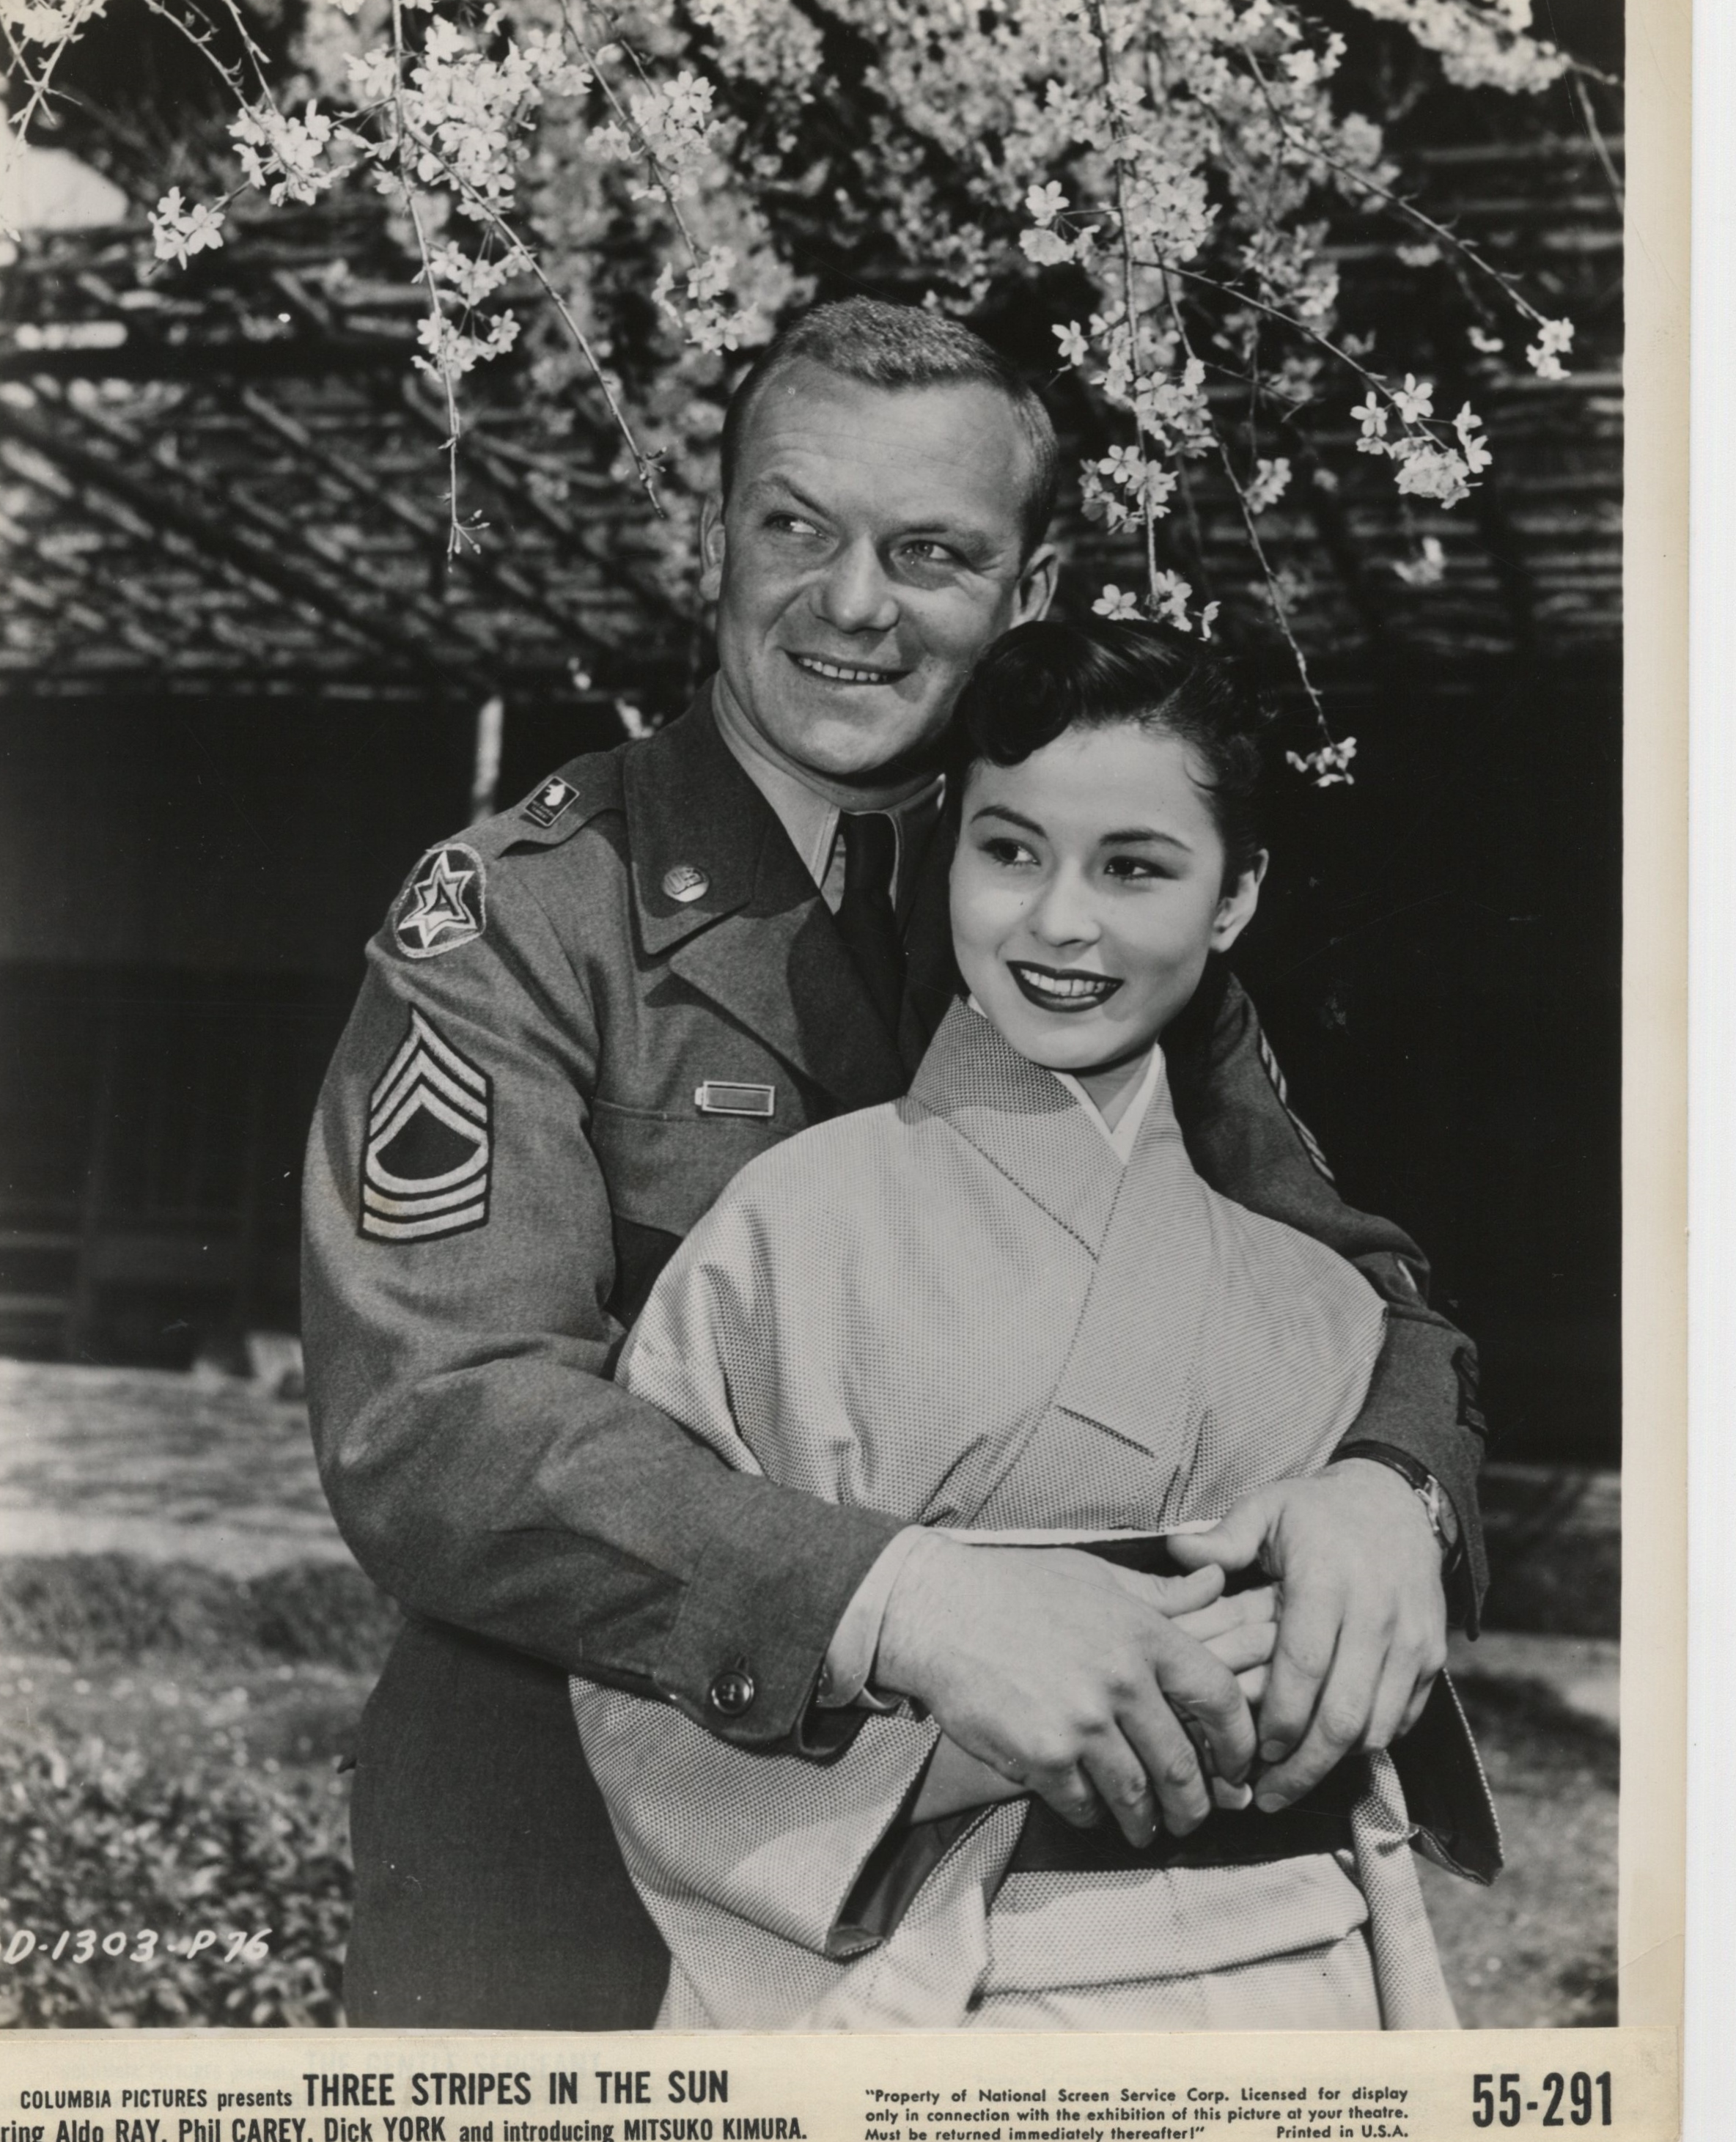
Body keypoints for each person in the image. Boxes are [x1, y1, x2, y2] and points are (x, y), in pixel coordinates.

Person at [301, 298, 1490, 2031]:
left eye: (928, 551)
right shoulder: (526, 916)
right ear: (713, 535)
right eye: (795, 526)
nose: (849, 602)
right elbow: (434, 1416)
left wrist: (1393, 1491)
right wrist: (902, 1600)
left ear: (1029, 581)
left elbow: (1355, 1288)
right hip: (582, 1855)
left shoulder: (1076, 902)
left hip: (1045, 1901)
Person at [573, 618, 1494, 2031]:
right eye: (1008, 851)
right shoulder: (791, 1224)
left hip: (1294, 1971)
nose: (1060, 922)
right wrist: (998, 1719)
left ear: (1235, 897)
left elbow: (1370, 1675)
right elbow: (643, 1652)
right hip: (935, 1983)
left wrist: (1318, 1660)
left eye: (1133, 867)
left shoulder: (1313, 1292)